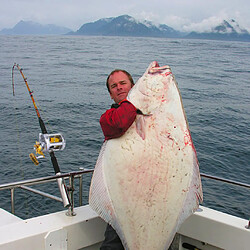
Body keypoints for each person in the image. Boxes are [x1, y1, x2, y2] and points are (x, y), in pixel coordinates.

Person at [99, 69, 138, 250]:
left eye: (123, 83)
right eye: (114, 86)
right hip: (122, 199)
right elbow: (120, 123)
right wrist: (137, 99)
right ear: (110, 94)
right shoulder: (108, 118)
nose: (119, 88)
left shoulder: (155, 114)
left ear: (132, 85)